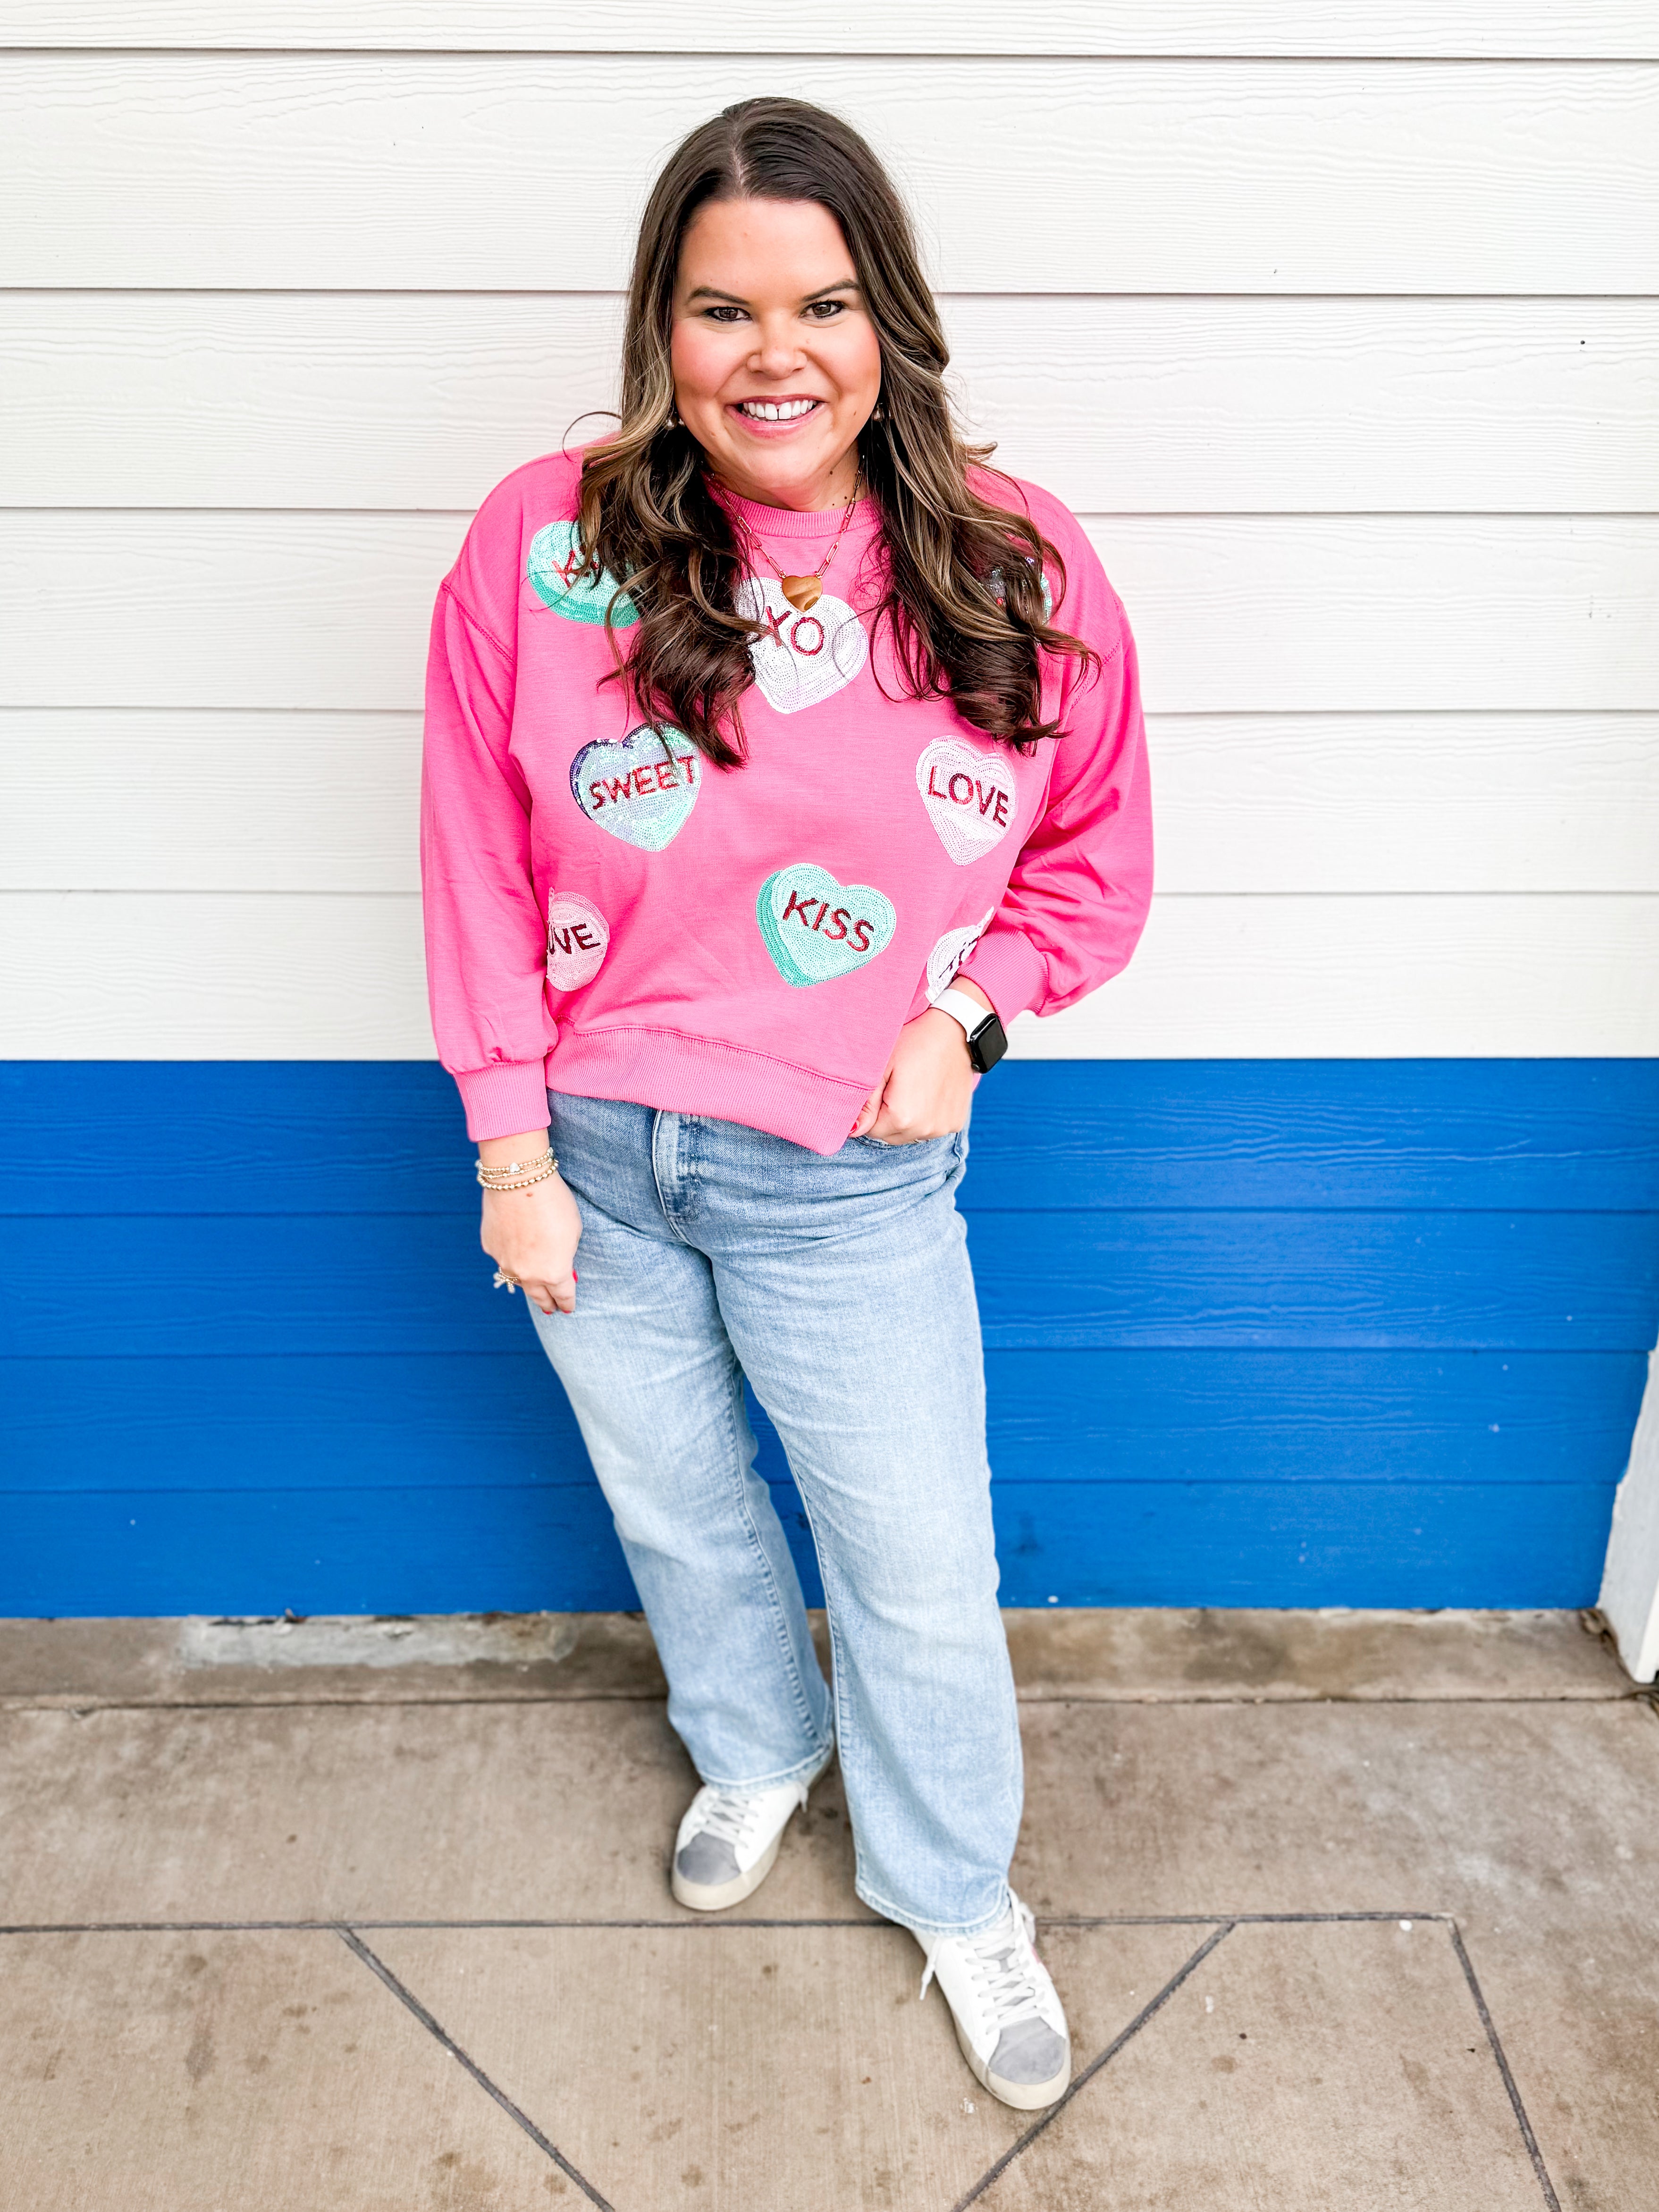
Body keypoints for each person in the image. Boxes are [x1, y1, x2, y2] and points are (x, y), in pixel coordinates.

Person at [421, 95, 1152, 2110]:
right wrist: (508, 1145)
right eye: (722, 304)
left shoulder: (1009, 557)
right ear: (662, 322)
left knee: (911, 1554)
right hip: (594, 1151)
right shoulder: (542, 541)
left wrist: (972, 1021)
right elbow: (473, 855)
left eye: (822, 302)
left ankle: (955, 1884)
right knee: (681, 1505)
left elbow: (1094, 855)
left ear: (886, 316)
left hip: (850, 1166)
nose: (775, 352)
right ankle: (757, 1744)